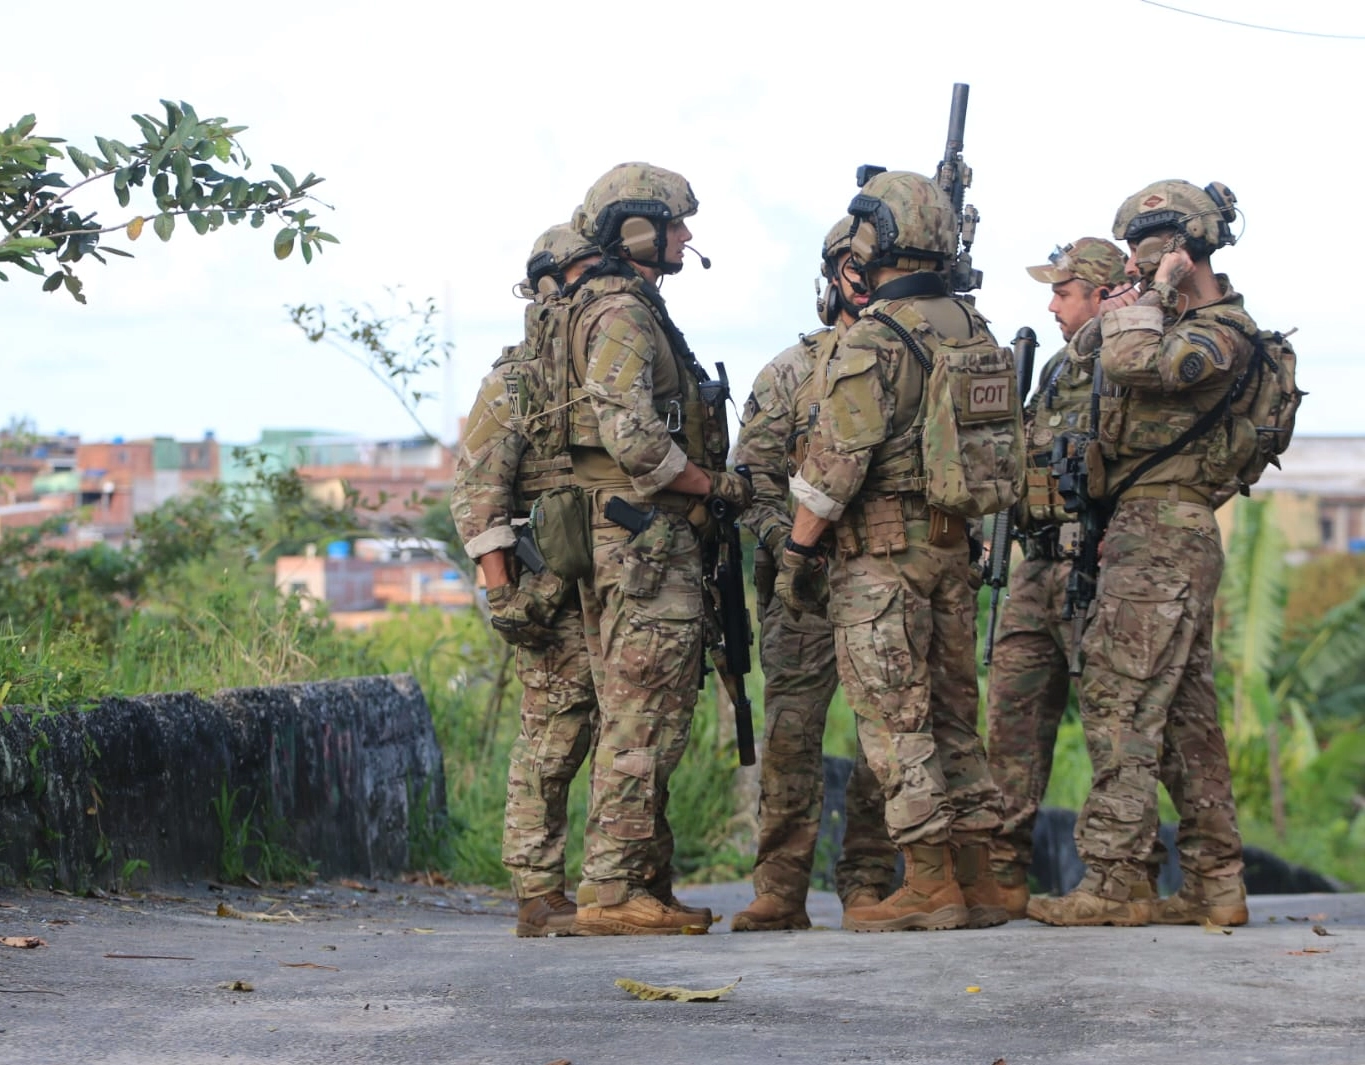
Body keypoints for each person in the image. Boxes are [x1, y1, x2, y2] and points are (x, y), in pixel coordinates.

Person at [778, 171, 1009, 932]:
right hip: (951, 549)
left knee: (891, 718)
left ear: (875, 241)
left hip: (880, 560)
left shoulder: (873, 336)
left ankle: (928, 881)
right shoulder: (969, 328)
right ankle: (981, 880)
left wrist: (797, 553)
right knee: (952, 715)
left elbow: (837, 461)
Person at [1028, 180, 1252, 927]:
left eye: (1137, 250)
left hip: (1162, 534)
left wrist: (1148, 294)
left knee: (1117, 699)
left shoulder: (1220, 331)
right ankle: (1215, 882)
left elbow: (1128, 361)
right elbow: (1090, 346)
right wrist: (1138, 299)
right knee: (1186, 714)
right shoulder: (1170, 319)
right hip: (1145, 529)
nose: (1129, 265)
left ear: (1170, 248)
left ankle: (1116, 876)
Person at [561, 162, 753, 936]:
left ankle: (642, 880)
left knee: (651, 714)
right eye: (675, 223)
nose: (686, 236)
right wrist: (714, 486)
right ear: (635, 229)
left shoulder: (627, 308)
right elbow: (635, 440)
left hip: (638, 541)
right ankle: (611, 892)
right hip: (641, 544)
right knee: (643, 720)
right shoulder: (620, 315)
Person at [730, 217, 897, 932]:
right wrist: (789, 543)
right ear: (833, 276)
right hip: (801, 587)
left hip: (885, 575)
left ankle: (866, 880)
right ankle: (780, 885)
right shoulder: (791, 372)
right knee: (791, 736)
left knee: (883, 741)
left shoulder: (907, 361)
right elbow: (752, 479)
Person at [449, 222, 601, 937]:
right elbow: (478, 490)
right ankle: (538, 891)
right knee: (551, 740)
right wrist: (503, 589)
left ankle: (615, 881)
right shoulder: (515, 382)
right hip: (551, 586)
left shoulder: (608, 369)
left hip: (619, 580)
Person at [985, 237, 1130, 917]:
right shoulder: (1056, 367)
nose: (1052, 305)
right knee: (1010, 713)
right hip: (1035, 560)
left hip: (1092, 563)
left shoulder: (1124, 358)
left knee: (1111, 722)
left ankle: (1119, 870)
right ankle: (1000, 869)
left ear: (1101, 295)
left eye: (1064, 292)